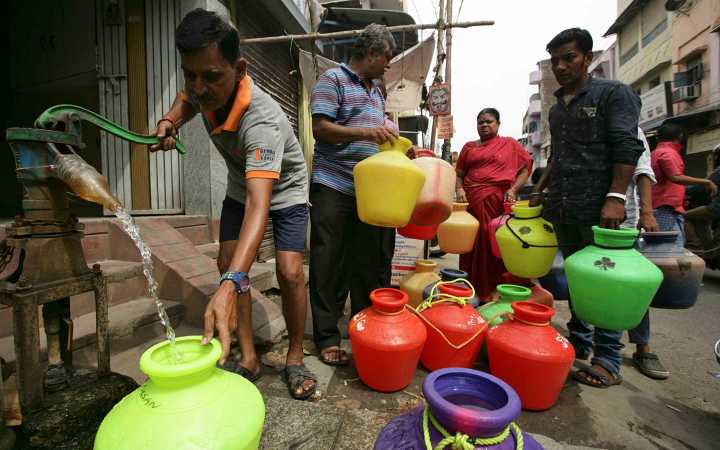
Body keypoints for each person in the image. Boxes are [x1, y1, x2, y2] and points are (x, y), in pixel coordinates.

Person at [150, 9, 316, 400]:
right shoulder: (203, 86)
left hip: (285, 188)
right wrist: (170, 121)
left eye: (210, 76)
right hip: (243, 185)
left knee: (289, 271)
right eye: (190, 74)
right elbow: (189, 100)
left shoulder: (261, 122)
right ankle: (249, 358)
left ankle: (295, 356)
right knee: (228, 262)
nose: (199, 86)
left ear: (239, 69)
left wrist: (229, 286)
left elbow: (261, 207)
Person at [530, 28, 645, 388]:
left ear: (588, 58)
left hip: (601, 208)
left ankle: (608, 358)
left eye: (569, 58)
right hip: (563, 204)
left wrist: (616, 197)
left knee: (604, 282)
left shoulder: (614, 94)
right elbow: (558, 156)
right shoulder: (556, 107)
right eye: (555, 60)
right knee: (577, 280)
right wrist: (541, 188)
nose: (561, 66)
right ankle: (579, 341)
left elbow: (627, 147)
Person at [309, 24, 398, 366]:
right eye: (387, 58)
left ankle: (363, 329)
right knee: (328, 261)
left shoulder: (378, 91)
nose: (389, 65)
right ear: (372, 53)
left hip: (370, 191)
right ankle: (327, 336)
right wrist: (365, 131)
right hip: (334, 184)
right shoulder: (333, 81)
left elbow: (379, 135)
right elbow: (320, 129)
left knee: (367, 263)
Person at [455, 108, 532, 300]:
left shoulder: (510, 145)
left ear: (498, 124)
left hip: (498, 202)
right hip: (471, 202)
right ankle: (469, 287)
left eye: (489, 121)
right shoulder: (469, 148)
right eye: (480, 122)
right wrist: (460, 190)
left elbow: (526, 167)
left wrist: (514, 189)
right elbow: (459, 174)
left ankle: (493, 291)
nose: (484, 125)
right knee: (471, 245)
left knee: (494, 245)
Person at [650, 123, 717, 244]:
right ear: (680, 136)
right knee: (669, 248)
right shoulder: (668, 153)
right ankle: (698, 246)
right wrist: (706, 182)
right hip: (665, 208)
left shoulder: (656, 152)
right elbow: (675, 177)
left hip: (663, 207)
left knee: (669, 246)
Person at [685, 145, 720, 249]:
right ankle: (708, 248)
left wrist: (682, 189)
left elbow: (702, 187)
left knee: (683, 217)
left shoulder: (718, 171)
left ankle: (695, 245)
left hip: (715, 209)